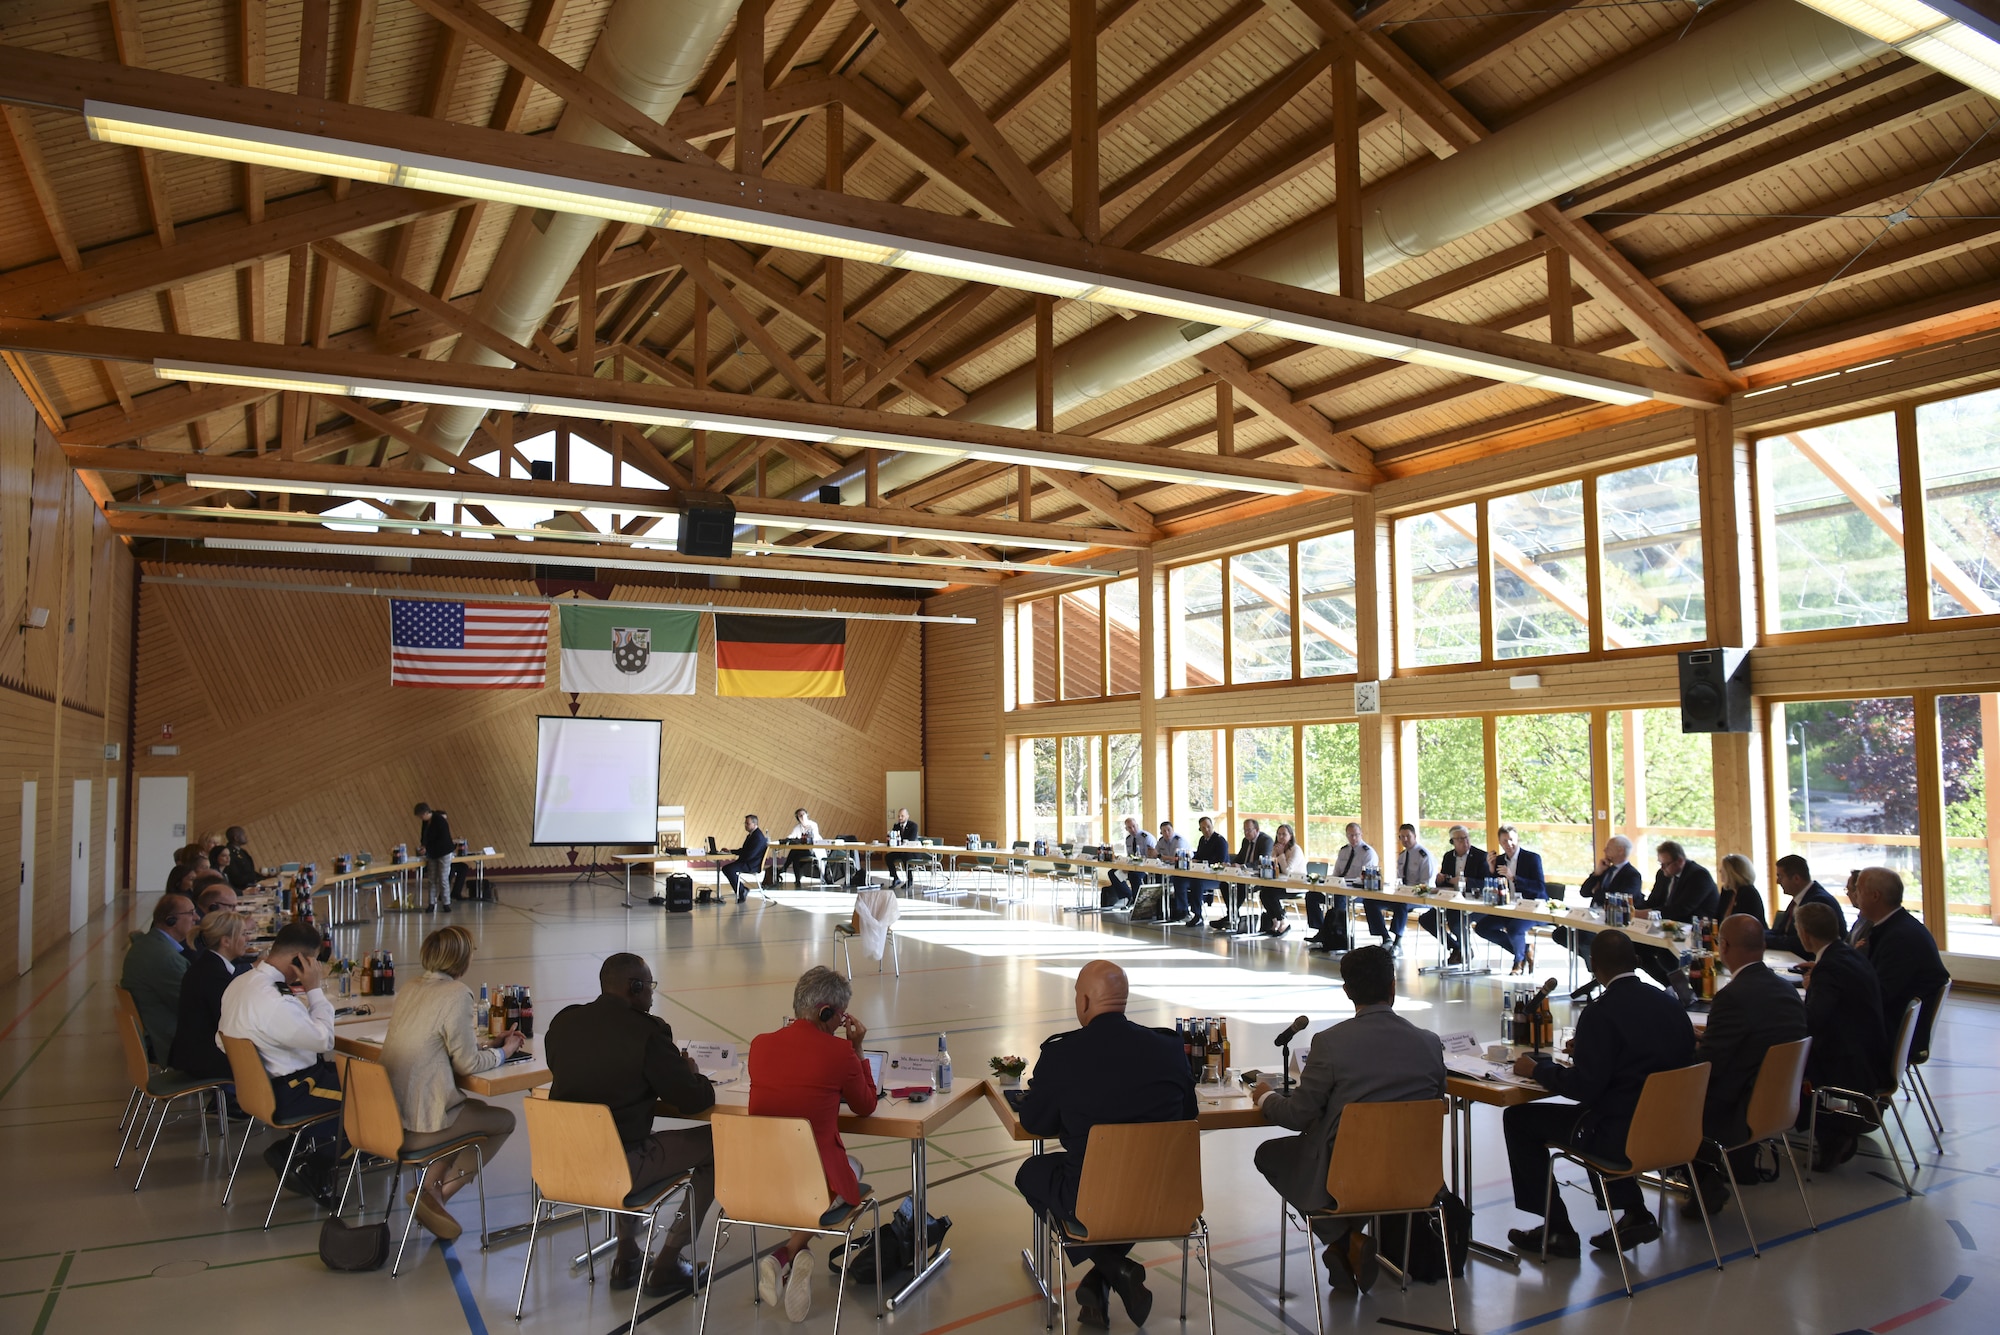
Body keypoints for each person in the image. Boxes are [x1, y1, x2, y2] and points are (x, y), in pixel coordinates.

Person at [1250, 946, 1446, 1294]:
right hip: (1414, 1177)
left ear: (1347, 991)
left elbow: (1297, 1116)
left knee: (1270, 1153)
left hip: (1347, 1175)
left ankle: (1341, 1241)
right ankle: (1348, 1245)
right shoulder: (1430, 1044)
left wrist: (1265, 1096)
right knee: (1366, 1164)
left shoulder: (1330, 1044)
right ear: (1393, 987)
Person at [1016, 960, 1196, 1329]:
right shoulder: (1168, 1048)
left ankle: (1113, 1268)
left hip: (1093, 1199)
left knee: (1032, 1172)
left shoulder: (1063, 1055)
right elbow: (1188, 1114)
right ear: (1123, 1000)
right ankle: (1101, 1280)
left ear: (1083, 1002)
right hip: (1166, 1195)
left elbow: (1034, 1122)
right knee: (1127, 1196)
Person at [1501, 930, 1695, 1257]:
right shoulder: (1670, 1003)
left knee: (1520, 1119)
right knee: (1611, 1108)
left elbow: (1583, 1088)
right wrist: (1590, 1052)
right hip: (1675, 1128)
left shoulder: (1601, 1012)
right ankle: (1634, 1212)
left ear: (1594, 966)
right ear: (1635, 959)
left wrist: (1538, 1070)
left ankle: (1557, 1228)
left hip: (1622, 1136)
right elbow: (1646, 1055)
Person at [546, 953, 716, 1295]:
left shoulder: (563, 1023)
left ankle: (627, 1255)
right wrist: (689, 1074)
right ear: (634, 987)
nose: (652, 994)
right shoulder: (647, 1033)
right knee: (720, 1145)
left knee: (622, 1136)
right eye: (649, 986)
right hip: (620, 1166)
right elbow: (694, 1100)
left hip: (565, 1163)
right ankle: (668, 1261)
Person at [747, 967, 880, 1323]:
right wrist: (857, 1048)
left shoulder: (760, 1044)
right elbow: (866, 1105)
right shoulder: (839, 1054)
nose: (841, 1024)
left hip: (761, 1177)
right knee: (852, 1170)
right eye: (840, 1016)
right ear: (825, 1011)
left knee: (805, 1184)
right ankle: (782, 1256)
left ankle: (795, 1256)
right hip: (812, 1179)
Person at [380, 926, 522, 1242]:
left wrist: (486, 1046)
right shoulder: (456, 993)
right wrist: (503, 1052)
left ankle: (430, 1189)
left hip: (388, 1117)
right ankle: (439, 1192)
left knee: (469, 1110)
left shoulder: (410, 987)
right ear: (461, 958)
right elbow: (467, 1065)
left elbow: (435, 1043)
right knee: (502, 1121)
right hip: (419, 1125)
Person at [1682, 915, 1807, 1216]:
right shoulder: (1787, 991)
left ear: (1722, 946)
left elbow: (1707, 1065)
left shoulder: (1733, 997)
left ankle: (1704, 1181)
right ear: (1763, 946)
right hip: (1778, 1104)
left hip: (1737, 1109)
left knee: (1664, 1100)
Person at [218, 922, 343, 1202]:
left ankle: (299, 1149)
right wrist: (314, 990)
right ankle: (307, 1160)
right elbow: (325, 1040)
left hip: (259, 1088)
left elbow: (220, 1039)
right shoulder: (275, 1001)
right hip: (296, 1090)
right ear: (301, 960)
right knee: (375, 1100)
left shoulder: (239, 983)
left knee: (355, 1080)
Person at [1794, 902, 1891, 1168]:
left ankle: (1833, 1133)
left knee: (1779, 1063)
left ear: (1805, 935)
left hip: (1848, 1060)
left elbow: (1813, 1019)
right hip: (1868, 1049)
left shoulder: (1830, 968)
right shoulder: (1847, 954)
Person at [1851, 867, 1950, 1059]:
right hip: (1890, 1024)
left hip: (1894, 1036)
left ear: (1875, 896)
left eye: (1858, 890)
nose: (1854, 895)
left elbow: (1878, 994)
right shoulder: (1893, 927)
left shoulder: (1901, 937)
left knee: (1822, 1031)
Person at [168, 909, 254, 1081]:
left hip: (197, 1052)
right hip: (205, 1059)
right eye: (244, 934)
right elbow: (233, 1022)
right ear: (226, 941)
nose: (248, 939)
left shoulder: (209, 965)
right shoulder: (214, 975)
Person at [121, 893, 196, 1062]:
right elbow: (191, 1007)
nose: (196, 918)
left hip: (157, 1029)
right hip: (170, 1041)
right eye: (190, 913)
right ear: (171, 920)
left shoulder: (147, 944)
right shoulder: (166, 958)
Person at [1553, 835, 1644, 967]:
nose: (1604, 851)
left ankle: (1596, 964)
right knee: (1560, 934)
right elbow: (1584, 892)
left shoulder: (1632, 874)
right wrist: (1597, 873)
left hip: (1611, 921)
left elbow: (1621, 898)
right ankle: (1592, 960)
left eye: (1608, 848)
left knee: (1589, 939)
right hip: (1593, 917)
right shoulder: (1606, 869)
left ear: (1620, 850)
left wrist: (1598, 892)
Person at [1474, 825, 1547, 974]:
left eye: (1511, 840)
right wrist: (1492, 869)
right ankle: (1524, 949)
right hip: (1508, 908)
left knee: (1514, 929)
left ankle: (1518, 962)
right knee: (1482, 927)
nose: (1509, 844)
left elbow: (1540, 888)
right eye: (1505, 841)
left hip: (1532, 908)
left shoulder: (1532, 858)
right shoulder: (1500, 860)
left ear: (1517, 839)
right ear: (1500, 843)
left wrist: (1513, 878)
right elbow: (1495, 886)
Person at [1419, 825, 1488, 966]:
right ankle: (1456, 947)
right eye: (1460, 839)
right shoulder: (1448, 857)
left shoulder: (1481, 856)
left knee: (1456, 922)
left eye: (1466, 838)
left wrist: (1466, 881)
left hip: (1474, 902)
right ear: (1453, 842)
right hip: (1452, 900)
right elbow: (1443, 883)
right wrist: (1440, 880)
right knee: (1426, 919)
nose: (1465, 841)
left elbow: (1486, 883)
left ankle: (1465, 951)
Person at [1305, 823, 1375, 953]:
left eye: (1356, 835)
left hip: (1356, 891)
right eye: (1350, 835)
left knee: (1340, 898)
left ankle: (1339, 936)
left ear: (1361, 834)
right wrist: (1330, 881)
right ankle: (1322, 930)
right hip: (1338, 887)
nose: (1353, 838)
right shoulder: (1344, 850)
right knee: (1311, 895)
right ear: (1347, 835)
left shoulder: (1368, 852)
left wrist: (1346, 883)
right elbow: (1336, 871)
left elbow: (1365, 878)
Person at [1367, 824, 1430, 951]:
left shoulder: (1424, 856)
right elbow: (1400, 878)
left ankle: (1398, 941)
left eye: (1408, 836)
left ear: (1415, 836)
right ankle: (1385, 937)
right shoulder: (1402, 855)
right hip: (1403, 894)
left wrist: (1410, 892)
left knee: (1403, 904)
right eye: (1402, 837)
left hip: (1421, 897)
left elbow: (1426, 885)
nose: (1405, 839)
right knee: (1370, 901)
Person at [1767, 854, 1845, 956]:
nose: (1777, 882)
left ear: (1796, 879)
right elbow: (1781, 932)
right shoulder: (1799, 898)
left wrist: (1762, 939)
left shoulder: (1818, 901)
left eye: (1780, 876)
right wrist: (1754, 935)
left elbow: (1800, 943)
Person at [1212, 819, 1272, 932]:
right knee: (1224, 885)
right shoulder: (1245, 841)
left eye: (1249, 830)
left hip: (1259, 876)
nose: (1246, 833)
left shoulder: (1266, 841)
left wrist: (1242, 866)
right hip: (1244, 876)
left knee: (1240, 887)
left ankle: (1231, 916)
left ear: (1257, 830)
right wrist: (1230, 864)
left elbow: (1262, 861)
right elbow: (1240, 857)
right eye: (1244, 830)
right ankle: (1232, 915)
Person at [1176, 816, 1230, 927]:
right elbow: (1198, 855)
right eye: (1203, 828)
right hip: (1200, 873)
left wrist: (1200, 861)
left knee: (1197, 883)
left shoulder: (1220, 840)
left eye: (1208, 827)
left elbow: (1221, 861)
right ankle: (1183, 910)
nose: (1206, 830)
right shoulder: (1202, 840)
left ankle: (1197, 915)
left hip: (1216, 877)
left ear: (1212, 826)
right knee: (1179, 879)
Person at [1257, 823, 1306, 936]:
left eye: (1284, 834)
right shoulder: (1277, 848)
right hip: (1280, 883)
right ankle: (1275, 921)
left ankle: (1283, 921)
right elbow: (1271, 866)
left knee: (1272, 894)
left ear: (1290, 836)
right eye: (1279, 834)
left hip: (1295, 885)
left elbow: (1287, 870)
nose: (1281, 837)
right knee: (1264, 893)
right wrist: (1274, 854)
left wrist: (1281, 855)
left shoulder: (1295, 850)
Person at [713, 814, 770, 904]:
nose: (745, 825)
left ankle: (741, 891)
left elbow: (750, 855)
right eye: (745, 823)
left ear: (754, 824)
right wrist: (730, 851)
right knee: (728, 869)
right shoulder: (752, 835)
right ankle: (742, 890)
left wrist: (737, 858)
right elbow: (744, 850)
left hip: (751, 864)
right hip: (748, 861)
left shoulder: (758, 837)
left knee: (728, 869)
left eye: (747, 823)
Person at [1104, 816, 1156, 909]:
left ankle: (1137, 901)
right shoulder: (1128, 839)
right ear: (1126, 828)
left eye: (1134, 826)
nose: (1132, 829)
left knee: (1134, 875)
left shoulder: (1146, 837)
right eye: (1129, 827)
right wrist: (1126, 866)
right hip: (1132, 865)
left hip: (1146, 867)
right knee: (1113, 873)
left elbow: (1152, 857)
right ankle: (1128, 895)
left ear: (1137, 825)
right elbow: (1130, 856)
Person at [414, 802, 455, 913]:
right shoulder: (425, 821)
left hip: (444, 852)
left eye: (421, 815)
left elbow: (442, 840)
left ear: (427, 812)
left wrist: (427, 848)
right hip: (432, 853)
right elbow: (424, 836)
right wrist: (423, 845)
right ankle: (431, 903)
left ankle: (446, 903)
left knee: (443, 878)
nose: (420, 818)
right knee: (431, 879)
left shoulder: (440, 821)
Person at [1151, 820, 1190, 922]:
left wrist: (1161, 856)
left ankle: (1182, 910)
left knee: (1178, 881)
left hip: (1182, 871)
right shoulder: (1161, 841)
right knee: (1153, 878)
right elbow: (1154, 854)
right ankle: (1158, 909)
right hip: (1167, 870)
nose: (1167, 833)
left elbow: (1176, 859)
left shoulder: (1179, 840)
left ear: (1173, 830)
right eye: (1164, 831)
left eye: (1169, 830)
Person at [1715, 854, 1767, 928]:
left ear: (1732, 873)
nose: (1720, 871)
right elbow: (1717, 919)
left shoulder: (1749, 894)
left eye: (1723, 869)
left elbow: (1745, 925)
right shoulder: (1727, 891)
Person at [780, 807, 825, 889]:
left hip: (813, 851)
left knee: (794, 851)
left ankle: (785, 867)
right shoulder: (797, 827)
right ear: (798, 818)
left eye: (803, 814)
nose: (802, 816)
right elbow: (792, 835)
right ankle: (797, 880)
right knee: (795, 857)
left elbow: (814, 838)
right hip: (802, 852)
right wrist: (787, 839)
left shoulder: (813, 825)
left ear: (807, 815)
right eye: (800, 816)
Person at [885, 807, 920, 887]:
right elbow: (893, 837)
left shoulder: (913, 826)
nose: (900, 818)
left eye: (902, 816)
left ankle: (910, 880)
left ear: (907, 816)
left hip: (912, 852)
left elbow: (910, 840)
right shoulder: (896, 826)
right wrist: (889, 839)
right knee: (888, 857)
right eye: (898, 816)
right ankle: (895, 877)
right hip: (900, 851)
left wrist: (898, 840)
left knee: (905, 856)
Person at [222, 826, 260, 890]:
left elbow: (250, 871)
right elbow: (236, 878)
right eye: (243, 834)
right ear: (236, 838)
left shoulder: (242, 851)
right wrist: (255, 878)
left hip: (250, 886)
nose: (246, 836)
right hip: (242, 889)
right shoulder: (229, 854)